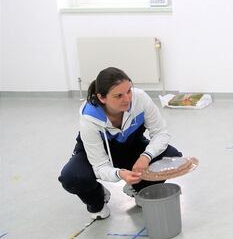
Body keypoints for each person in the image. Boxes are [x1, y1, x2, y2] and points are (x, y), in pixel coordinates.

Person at [59, 67, 182, 219]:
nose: (127, 99)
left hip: (131, 148)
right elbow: (99, 166)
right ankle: (97, 198)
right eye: (118, 96)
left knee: (171, 158)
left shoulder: (140, 98)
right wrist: (119, 173)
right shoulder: (89, 119)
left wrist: (146, 156)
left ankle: (138, 188)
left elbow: (161, 133)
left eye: (129, 91)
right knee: (72, 177)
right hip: (95, 155)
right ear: (102, 98)